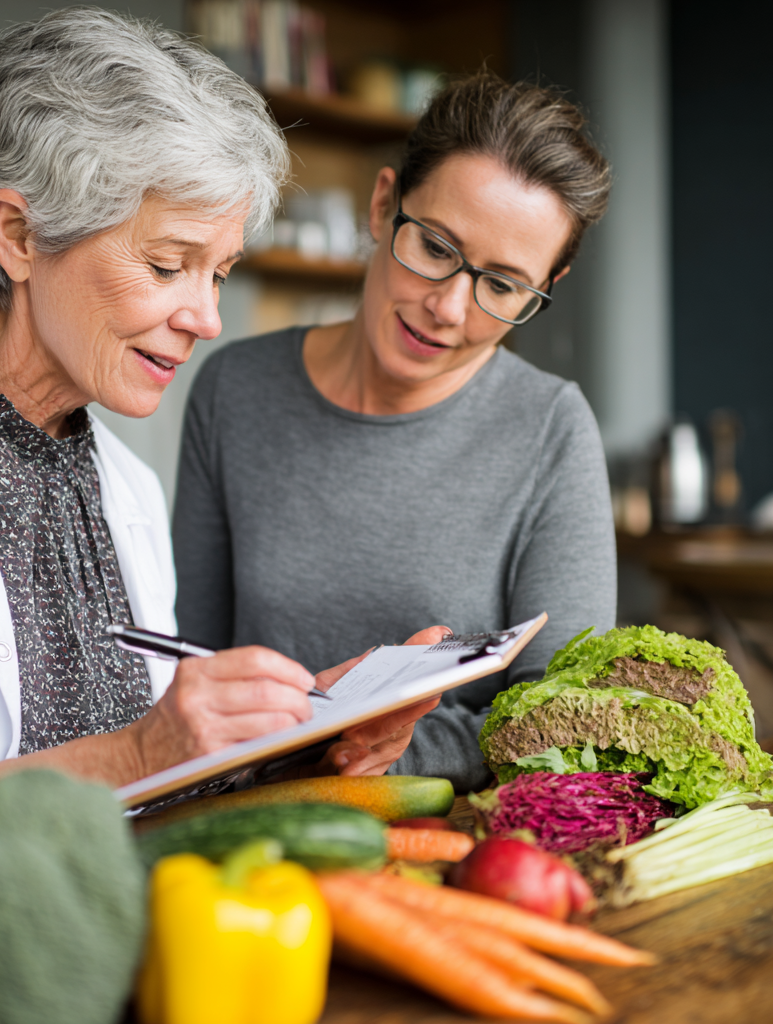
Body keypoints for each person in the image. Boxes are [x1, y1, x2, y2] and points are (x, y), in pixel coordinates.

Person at [0, 8, 446, 785]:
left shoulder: (130, 491)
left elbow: (156, 793)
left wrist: (299, 741)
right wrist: (140, 752)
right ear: (19, 236)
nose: (207, 318)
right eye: (167, 265)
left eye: (218, 274)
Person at [173, 73, 618, 792]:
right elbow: (187, 660)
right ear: (383, 207)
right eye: (437, 248)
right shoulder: (235, 389)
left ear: (546, 287)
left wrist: (377, 750)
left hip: (446, 829)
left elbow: (561, 715)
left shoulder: (551, 429)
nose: (449, 307)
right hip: (244, 810)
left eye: (502, 286)